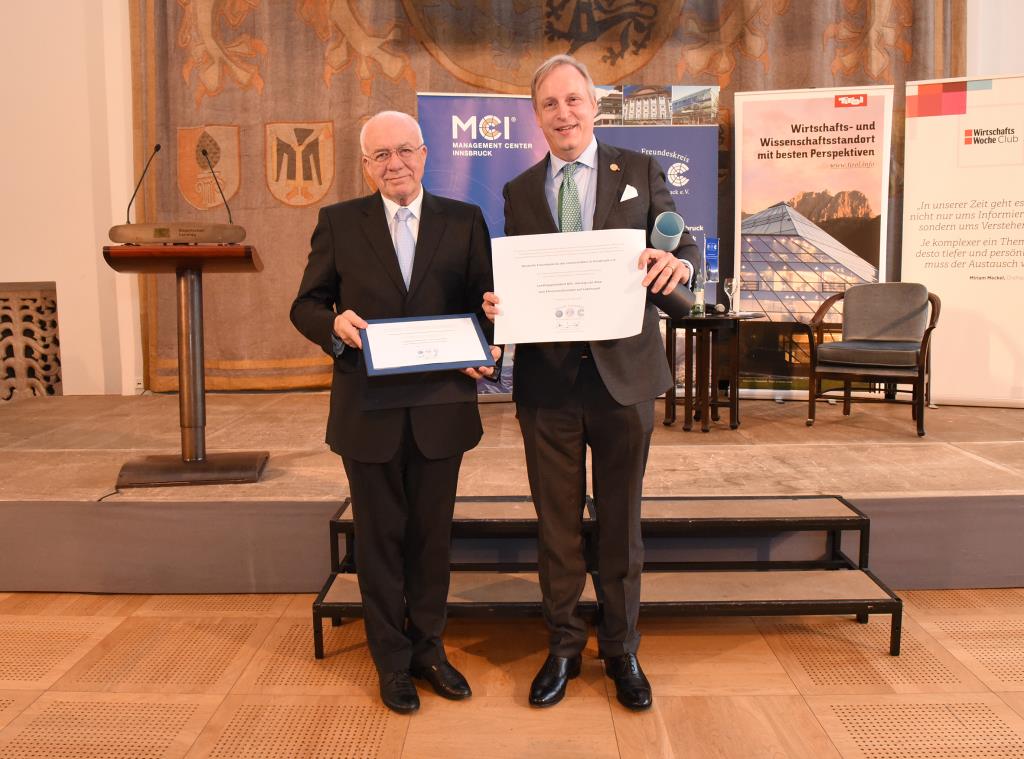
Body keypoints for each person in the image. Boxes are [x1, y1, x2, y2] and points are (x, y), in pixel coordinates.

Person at [482, 55, 700, 711]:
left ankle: (622, 648)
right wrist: (499, 306)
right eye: (550, 103)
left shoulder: (639, 170)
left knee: (619, 524)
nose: (564, 113)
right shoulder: (519, 190)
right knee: (556, 527)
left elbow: (684, 247)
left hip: (623, 379)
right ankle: (563, 646)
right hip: (548, 385)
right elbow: (520, 276)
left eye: (573, 99)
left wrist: (679, 266)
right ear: (537, 115)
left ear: (595, 106)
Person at [291, 110, 497, 714]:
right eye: (381, 155)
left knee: (431, 539)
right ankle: (391, 660)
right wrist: (333, 324)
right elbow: (306, 305)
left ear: (425, 154)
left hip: (440, 408)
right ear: (365, 165)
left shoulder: (464, 220)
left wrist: (487, 341)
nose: (395, 164)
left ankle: (429, 650)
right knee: (379, 541)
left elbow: (485, 303)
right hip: (369, 410)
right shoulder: (339, 222)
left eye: (404, 150)